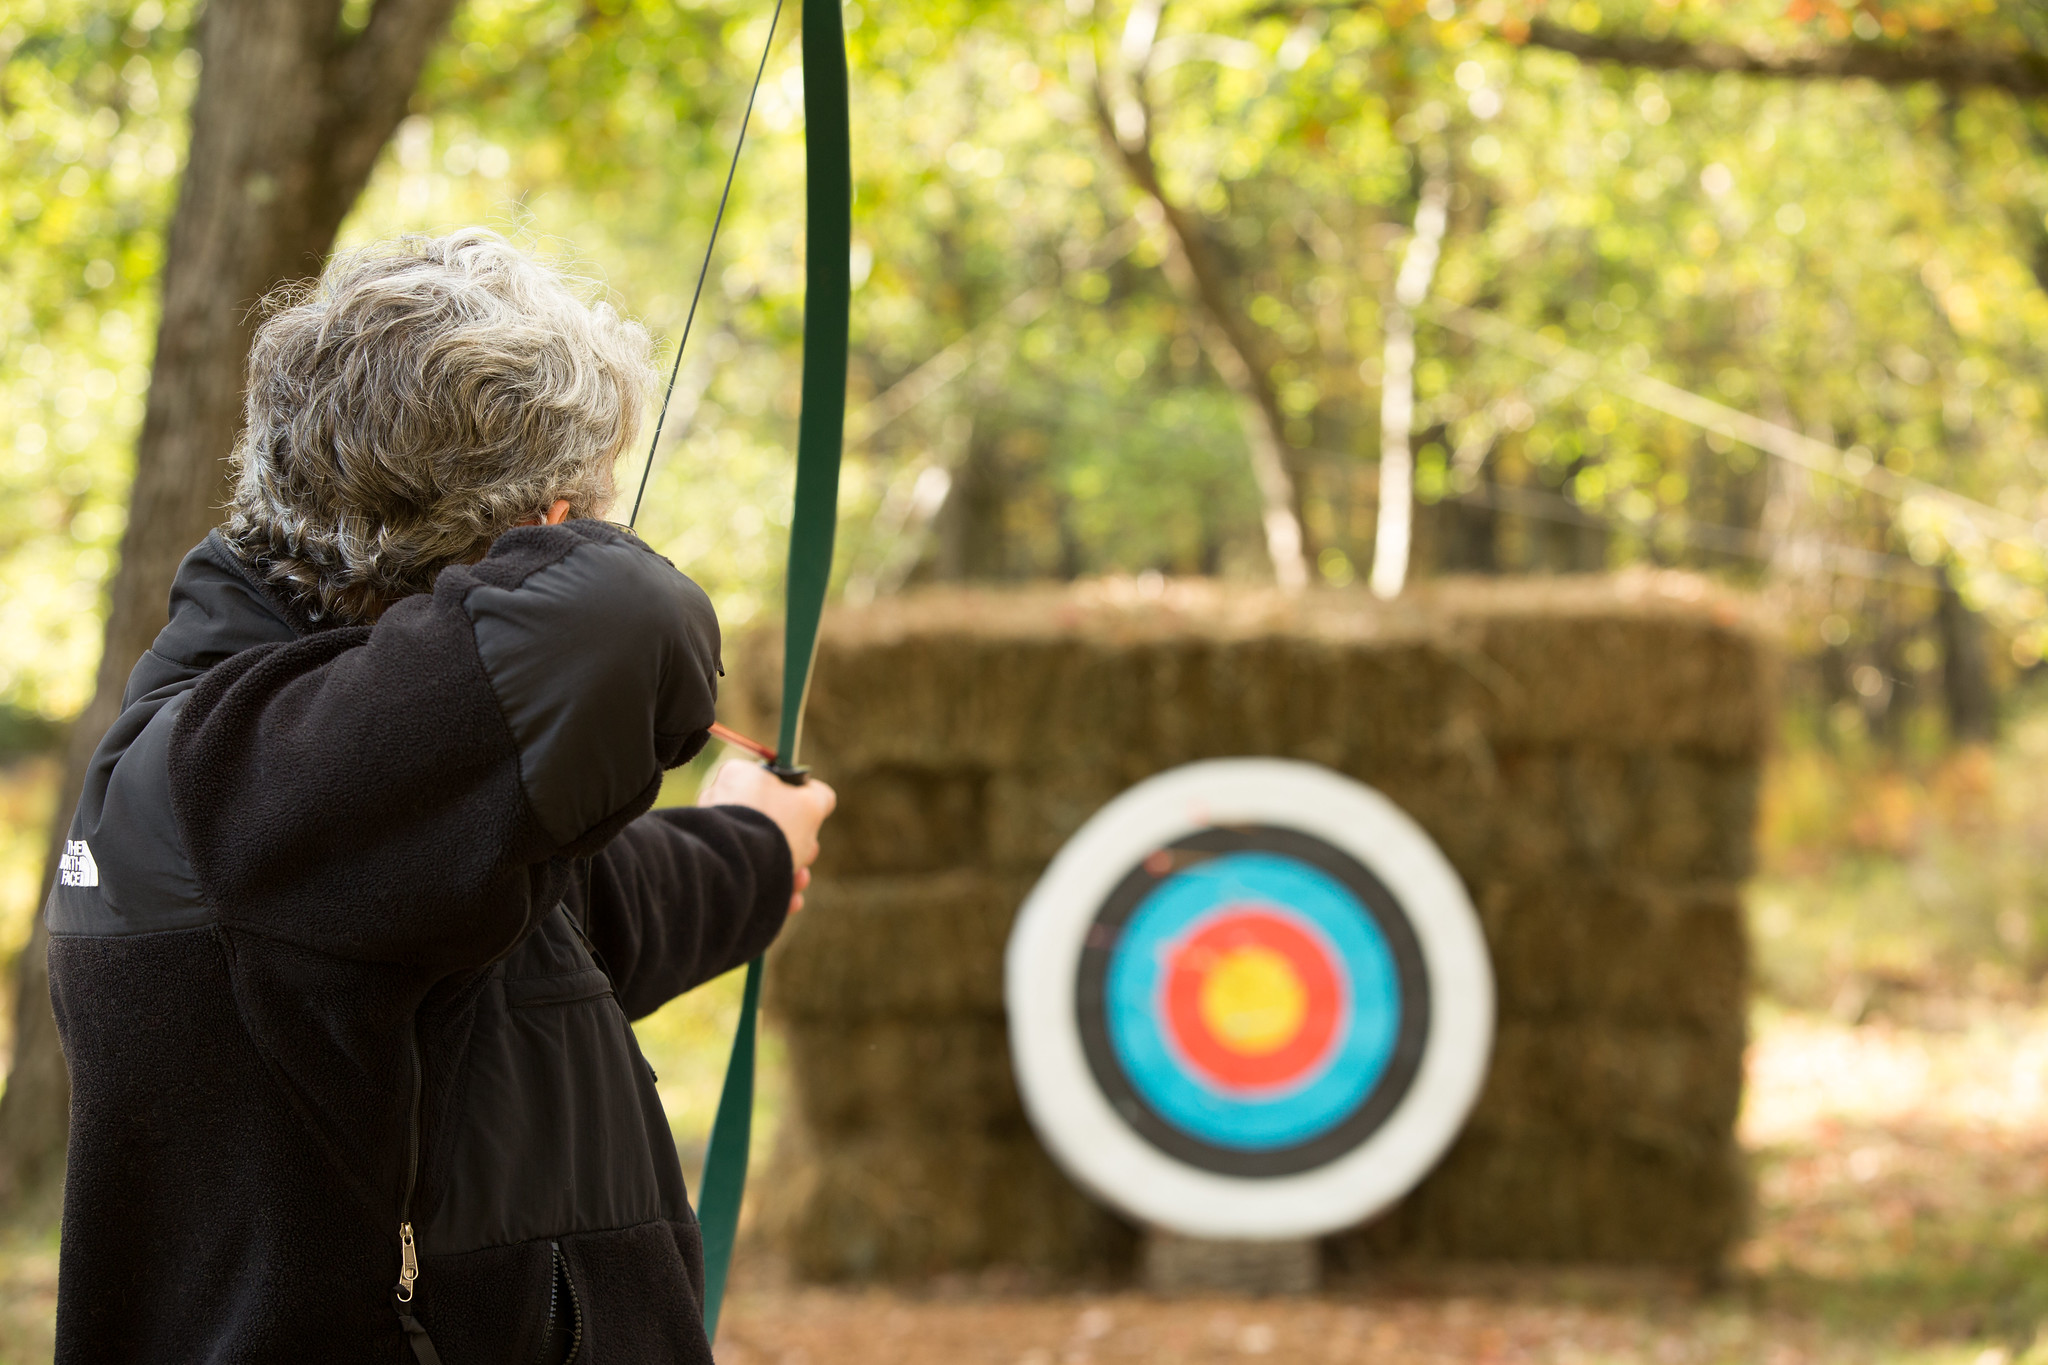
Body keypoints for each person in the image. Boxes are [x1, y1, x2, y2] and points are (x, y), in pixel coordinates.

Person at [44, 230, 835, 1364]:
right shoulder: (254, 769)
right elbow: (619, 620)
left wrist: (756, 845)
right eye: (589, 500)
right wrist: (570, 546)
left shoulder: (359, 775)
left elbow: (577, 923)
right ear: (541, 525)